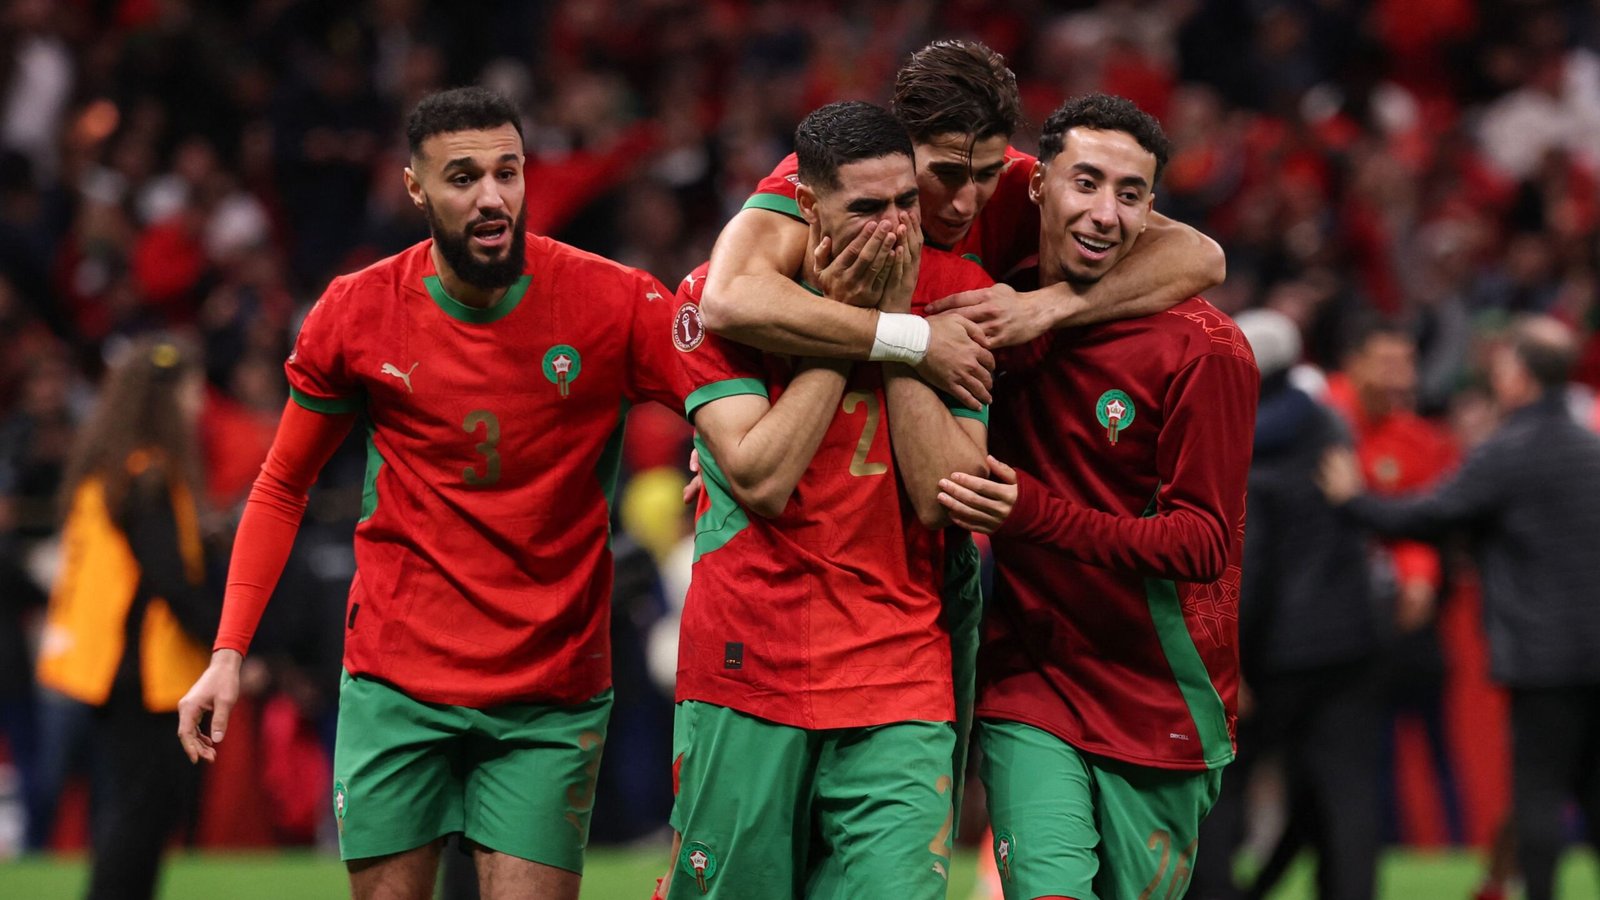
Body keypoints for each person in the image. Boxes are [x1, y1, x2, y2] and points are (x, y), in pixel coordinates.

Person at [175, 86, 689, 900]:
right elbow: (281, 486)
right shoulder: (356, 312)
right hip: (395, 683)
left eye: (508, 172)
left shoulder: (610, 301)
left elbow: (730, 399)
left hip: (547, 694)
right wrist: (228, 654)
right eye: (462, 177)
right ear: (415, 188)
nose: (492, 197)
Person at [661, 100, 991, 899]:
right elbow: (764, 479)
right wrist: (864, 327)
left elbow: (947, 497)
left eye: (906, 202)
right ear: (806, 207)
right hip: (748, 665)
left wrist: (903, 319)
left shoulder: (959, 297)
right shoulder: (710, 300)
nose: (894, 228)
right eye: (867, 208)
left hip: (899, 669)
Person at [936, 94, 1258, 900]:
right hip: (1031, 678)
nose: (1105, 213)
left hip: (1160, 696)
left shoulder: (1206, 349)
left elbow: (1201, 543)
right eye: (1086, 183)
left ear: (1153, 211)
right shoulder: (992, 308)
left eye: (1130, 193)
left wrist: (1031, 513)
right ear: (1037, 184)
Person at [700, 40, 1225, 406]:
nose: (966, 202)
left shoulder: (1022, 184)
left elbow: (1202, 256)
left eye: (987, 174)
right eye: (946, 175)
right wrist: (916, 341)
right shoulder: (842, 182)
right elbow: (728, 298)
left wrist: (1042, 308)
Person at [1318, 315, 1600, 900]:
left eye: (1502, 367)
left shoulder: (1509, 450)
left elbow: (1427, 514)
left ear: (1519, 378)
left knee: (1539, 789)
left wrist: (1352, 502)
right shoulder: (1589, 447)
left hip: (1542, 656)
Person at [1198, 309, 1385, 900]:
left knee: (1224, 785)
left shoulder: (1235, 439)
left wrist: (1233, 660)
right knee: (1347, 790)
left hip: (1271, 652)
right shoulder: (1330, 425)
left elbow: (1252, 567)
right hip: (1348, 642)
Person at [34, 336, 216, 900]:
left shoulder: (112, 470)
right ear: (165, 398)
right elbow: (169, 580)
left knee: (136, 811)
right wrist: (229, 644)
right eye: (189, 389)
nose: (198, 402)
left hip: (107, 666)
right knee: (141, 814)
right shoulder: (148, 476)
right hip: (140, 671)